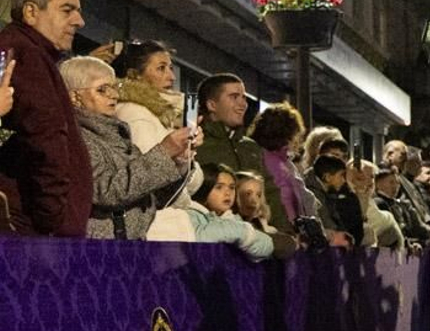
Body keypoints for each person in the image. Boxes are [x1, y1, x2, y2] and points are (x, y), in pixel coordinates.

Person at [0, 0, 93, 235]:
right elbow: (45, 137)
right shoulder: (26, 55)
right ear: (31, 12)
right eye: (67, 10)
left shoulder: (26, 52)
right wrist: (53, 217)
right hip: (35, 230)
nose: (80, 21)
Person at [63, 56, 194, 240]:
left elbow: (153, 199)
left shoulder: (118, 136)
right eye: (102, 89)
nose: (114, 95)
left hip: (129, 247)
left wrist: (179, 160)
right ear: (75, 97)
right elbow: (105, 191)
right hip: (100, 251)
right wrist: (164, 152)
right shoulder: (77, 139)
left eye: (114, 87)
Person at [112, 40, 202, 200]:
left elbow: (193, 186)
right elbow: (149, 184)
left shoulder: (163, 116)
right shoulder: (134, 113)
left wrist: (184, 156)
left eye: (170, 68)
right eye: (161, 68)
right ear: (135, 75)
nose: (172, 77)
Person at [195, 73, 287, 228]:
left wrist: (286, 231)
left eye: (243, 97)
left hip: (254, 237)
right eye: (234, 97)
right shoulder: (195, 144)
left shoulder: (251, 147)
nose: (243, 104)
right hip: (212, 236)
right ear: (212, 105)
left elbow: (270, 194)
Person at [187, 163, 275, 260]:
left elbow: (267, 246)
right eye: (219, 187)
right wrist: (242, 233)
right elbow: (197, 239)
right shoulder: (189, 215)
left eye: (232, 187)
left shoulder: (233, 218)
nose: (228, 193)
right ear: (204, 187)